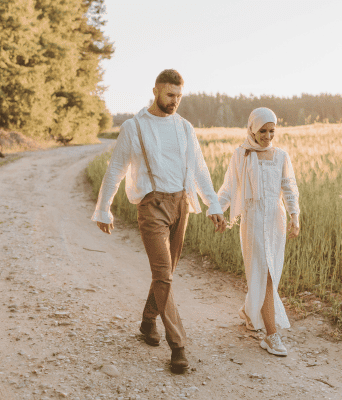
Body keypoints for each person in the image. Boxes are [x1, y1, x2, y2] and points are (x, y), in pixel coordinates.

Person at [91, 69, 227, 373]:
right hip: (151, 205)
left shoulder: (185, 127)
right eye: (169, 95)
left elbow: (200, 169)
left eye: (179, 96)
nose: (175, 101)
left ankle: (148, 319)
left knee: (167, 272)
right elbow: (116, 170)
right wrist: (103, 208)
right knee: (164, 274)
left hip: (182, 203)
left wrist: (213, 204)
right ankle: (178, 346)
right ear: (155, 91)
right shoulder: (134, 127)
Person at [217, 107, 300, 357]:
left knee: (270, 271)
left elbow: (289, 187)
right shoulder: (241, 154)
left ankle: (249, 312)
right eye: (262, 130)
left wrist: (295, 216)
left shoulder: (281, 156)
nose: (267, 136)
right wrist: (218, 210)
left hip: (275, 221)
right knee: (265, 274)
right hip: (252, 221)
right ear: (252, 129)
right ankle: (271, 336)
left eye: (272, 130)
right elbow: (229, 187)